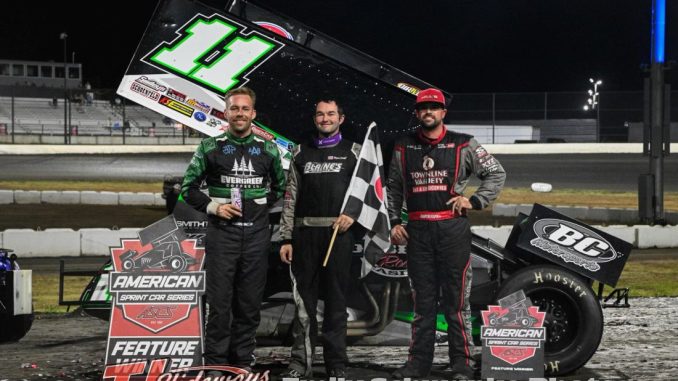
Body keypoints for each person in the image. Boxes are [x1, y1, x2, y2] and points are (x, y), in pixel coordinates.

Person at [388, 88, 506, 380]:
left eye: (434, 107)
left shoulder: (463, 144)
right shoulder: (404, 146)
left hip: (452, 231)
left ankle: (461, 363)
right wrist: (394, 222)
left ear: (443, 112)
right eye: (423, 108)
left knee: (456, 303)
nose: (428, 112)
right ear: (417, 113)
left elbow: (497, 173)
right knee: (422, 303)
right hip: (418, 233)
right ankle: (418, 364)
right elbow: (393, 188)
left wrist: (474, 201)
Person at [180, 87, 286, 371]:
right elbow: (188, 188)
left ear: (253, 114)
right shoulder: (209, 147)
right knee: (219, 305)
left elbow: (281, 187)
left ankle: (242, 363)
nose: (239, 113)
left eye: (245, 109)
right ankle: (215, 365)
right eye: (234, 108)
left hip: (256, 237)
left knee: (249, 305)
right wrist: (215, 207)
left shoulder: (268, 149)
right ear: (226, 113)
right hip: (221, 236)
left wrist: (261, 207)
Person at [278, 98, 361, 378]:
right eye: (320, 115)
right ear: (315, 119)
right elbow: (290, 198)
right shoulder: (301, 153)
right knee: (304, 306)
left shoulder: (355, 152)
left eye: (331, 114)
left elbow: (370, 192)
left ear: (341, 118)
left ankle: (336, 364)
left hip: (339, 236)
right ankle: (300, 364)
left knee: (337, 304)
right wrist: (286, 237)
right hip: (304, 237)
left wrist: (353, 214)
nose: (325, 119)